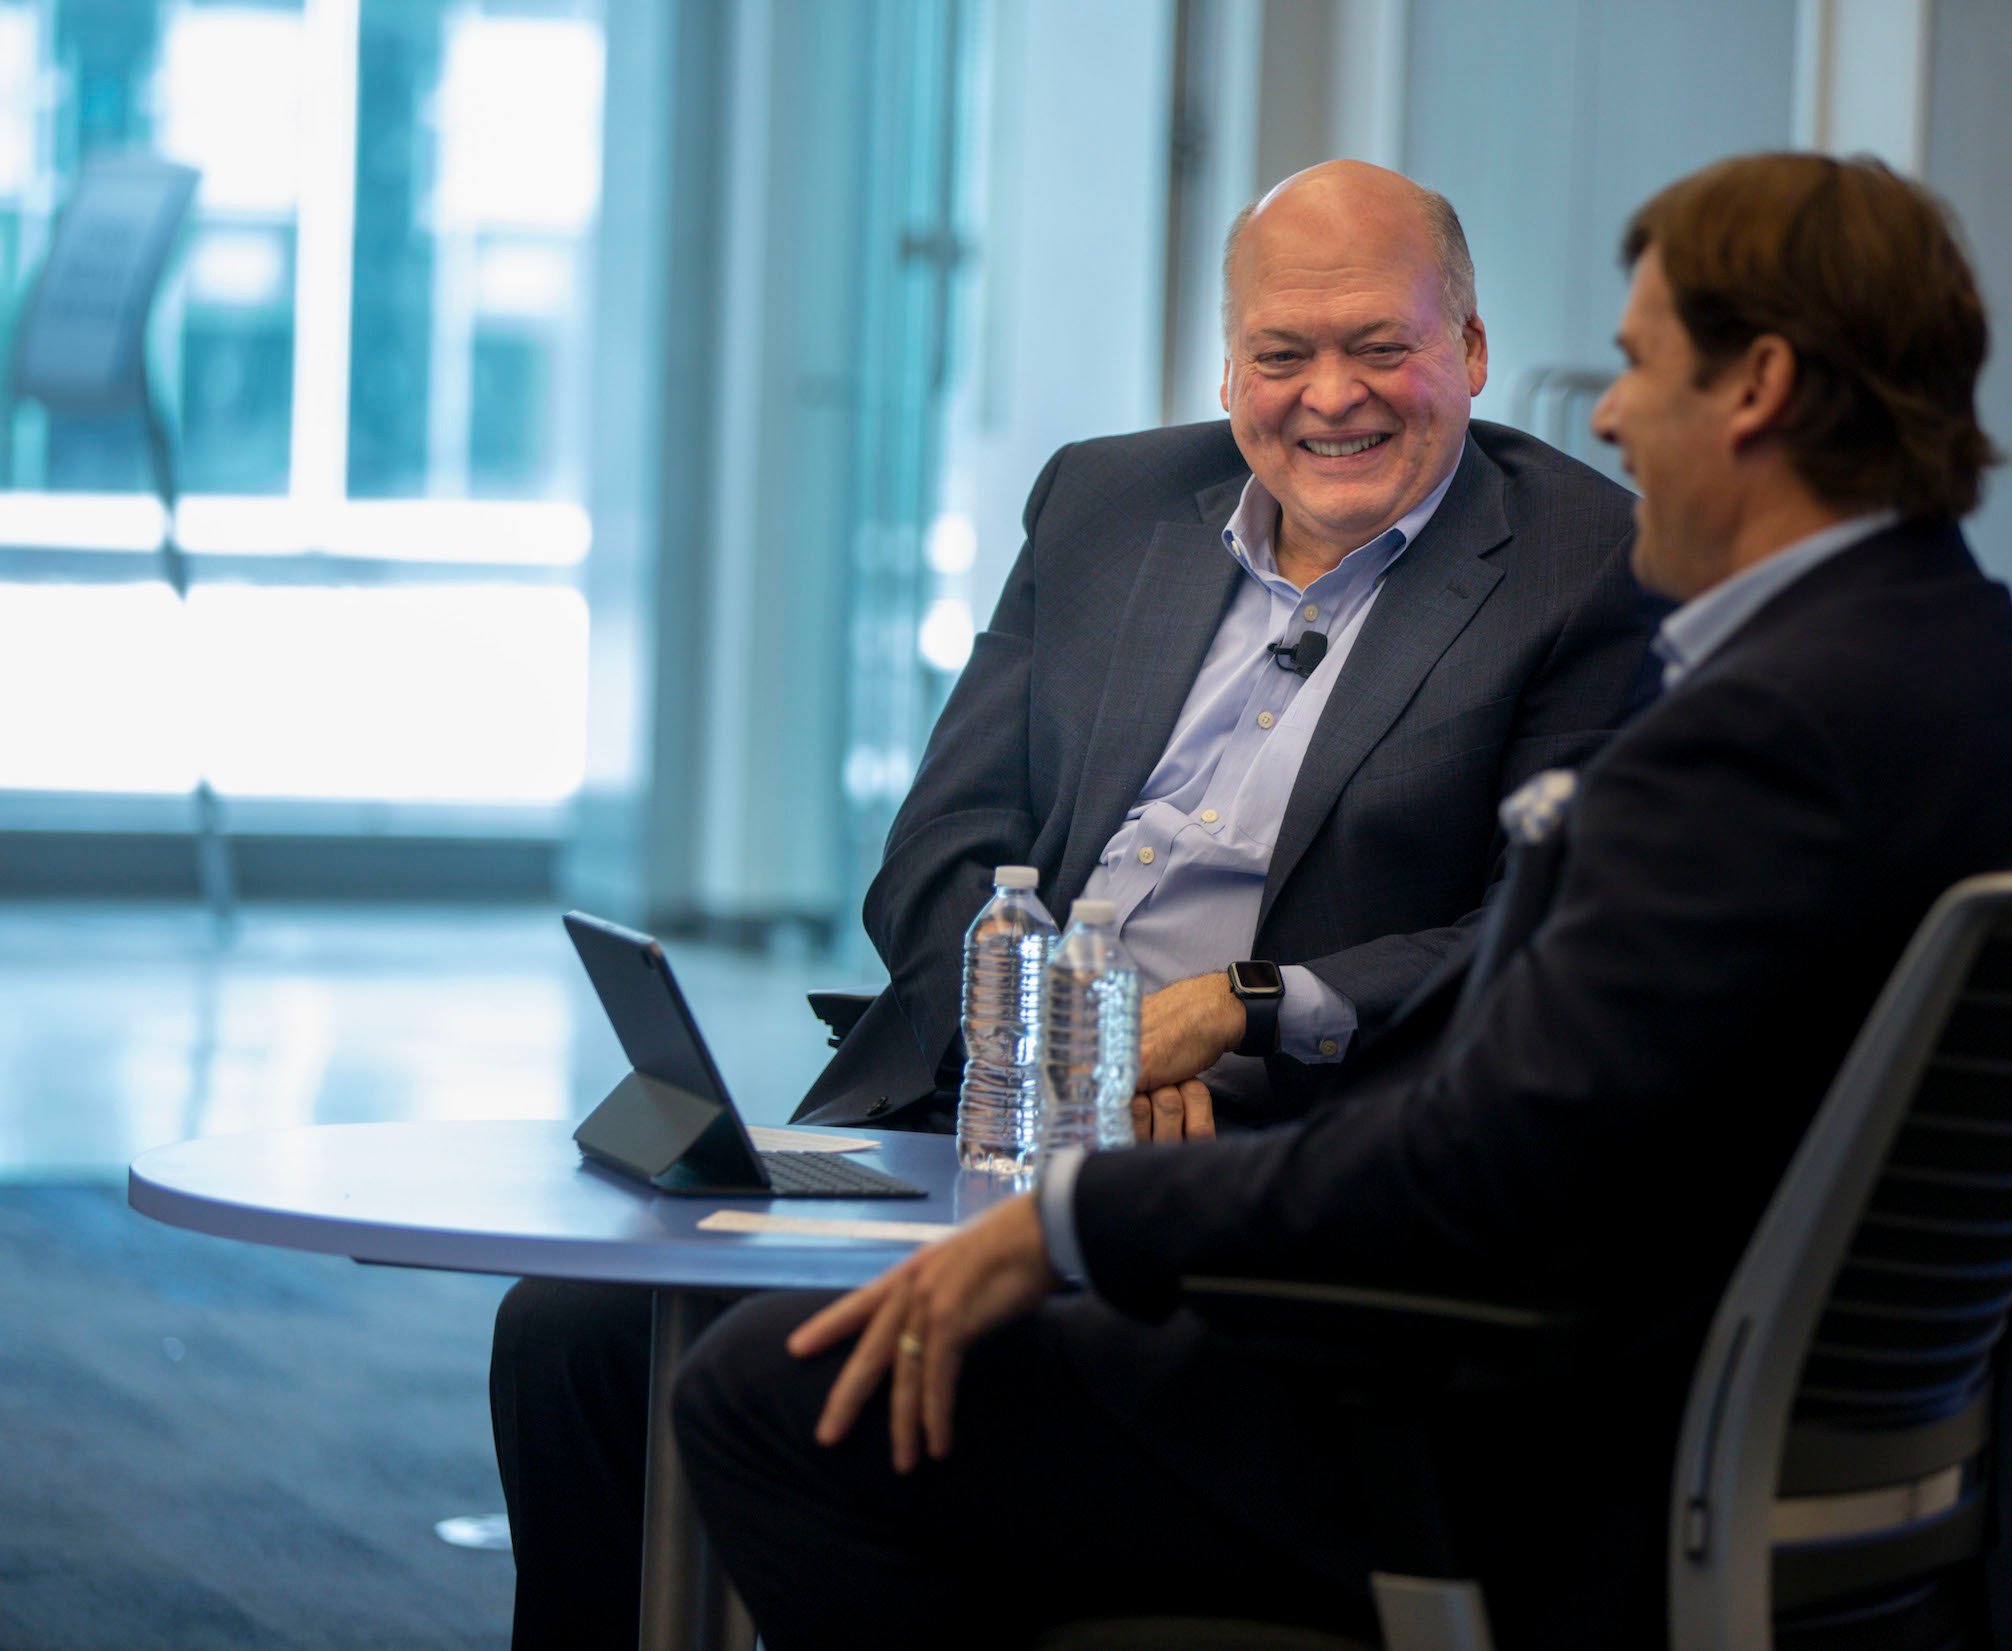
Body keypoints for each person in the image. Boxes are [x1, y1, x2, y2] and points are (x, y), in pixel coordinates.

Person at [667, 152, 2012, 1650]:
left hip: (1513, 1450)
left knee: (770, 1399)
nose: (1613, 415)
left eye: (1636, 365)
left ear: (1753, 386)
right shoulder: (1993, 692)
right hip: (1690, 1405)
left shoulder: (1762, 734)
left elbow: (1478, 1161)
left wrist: (1077, 1219)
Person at [490, 158, 1653, 1649]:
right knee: (574, 1334)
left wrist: (1245, 1016)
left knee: (789, 1381)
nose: (1331, 397)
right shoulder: (1108, 500)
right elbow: (941, 840)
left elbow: (1526, 931)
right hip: (975, 1112)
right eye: (1281, 354)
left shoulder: (1581, 567)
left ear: (1472, 353)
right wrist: (1053, 1043)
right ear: (1226, 361)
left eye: (1382, 346)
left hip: (1248, 1166)